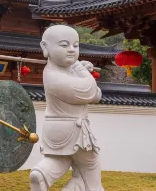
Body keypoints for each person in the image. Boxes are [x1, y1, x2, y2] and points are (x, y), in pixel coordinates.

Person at [30, 24, 104, 191]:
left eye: (75, 45)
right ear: (45, 47)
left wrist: (77, 70)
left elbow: (94, 94)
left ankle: (41, 174)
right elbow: (91, 90)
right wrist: (79, 67)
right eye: (64, 45)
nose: (71, 50)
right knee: (90, 163)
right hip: (75, 129)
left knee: (60, 160)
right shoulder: (55, 77)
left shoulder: (58, 72)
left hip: (53, 130)